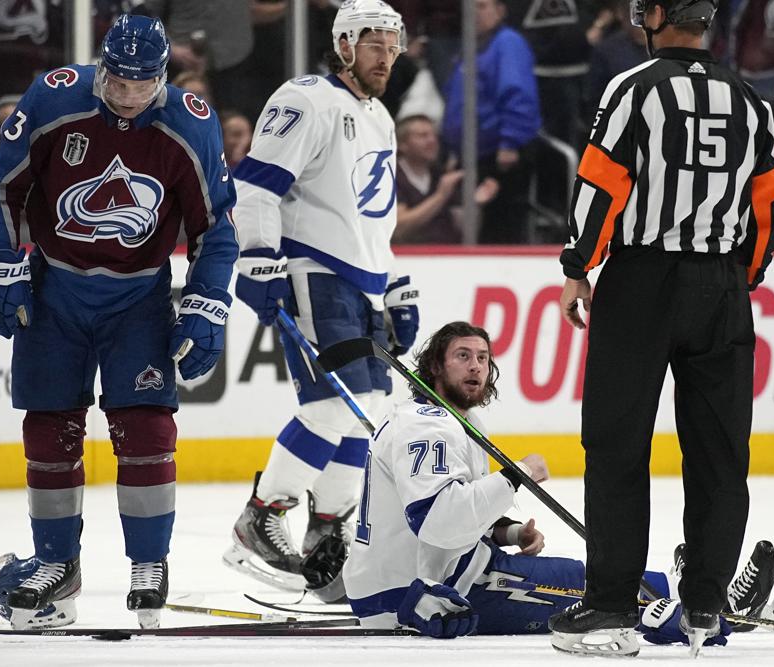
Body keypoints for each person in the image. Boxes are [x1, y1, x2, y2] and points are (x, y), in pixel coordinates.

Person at [0, 14, 237, 631]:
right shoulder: (54, 95)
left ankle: (149, 565)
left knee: (145, 426)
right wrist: (0, 263)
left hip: (138, 298)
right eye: (115, 80)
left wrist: (206, 303)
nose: (125, 95)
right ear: (100, 68)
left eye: (139, 85)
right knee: (49, 425)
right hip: (54, 287)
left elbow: (215, 227)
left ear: (163, 79)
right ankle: (56, 563)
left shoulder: (190, 124)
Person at [549, 0, 774, 656]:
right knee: (719, 452)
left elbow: (601, 182)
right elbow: (772, 202)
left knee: (617, 441)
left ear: (655, 15)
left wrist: (578, 267)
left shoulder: (635, 86)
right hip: (722, 285)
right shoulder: (747, 98)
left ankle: (610, 607)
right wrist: (742, 278)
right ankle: (707, 606)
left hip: (641, 283)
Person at [342, 321, 774, 642]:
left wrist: (508, 532)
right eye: (462, 356)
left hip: (424, 577)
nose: (476, 367)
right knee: (601, 600)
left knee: (592, 581)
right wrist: (514, 477)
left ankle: (697, 591)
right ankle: (718, 610)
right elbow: (438, 521)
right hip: (422, 594)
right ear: (435, 366)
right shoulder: (428, 426)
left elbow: (438, 515)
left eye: (482, 357)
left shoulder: (442, 421)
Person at [224, 0, 419, 603]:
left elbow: (372, 215)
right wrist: (258, 256)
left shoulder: (381, 117)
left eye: (392, 45)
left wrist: (392, 284)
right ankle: (261, 516)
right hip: (314, 272)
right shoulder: (304, 98)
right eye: (372, 44)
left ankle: (327, 534)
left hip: (361, 283)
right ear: (343, 46)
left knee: (371, 410)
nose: (384, 56)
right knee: (335, 407)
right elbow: (255, 185)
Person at [441, 0, 541, 244]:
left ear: (500, 11)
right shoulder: (471, 47)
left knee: (499, 229)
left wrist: (509, 143)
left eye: (482, 6)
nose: (475, 13)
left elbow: (517, 93)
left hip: (499, 156)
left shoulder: (507, 43)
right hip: (472, 154)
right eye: (471, 7)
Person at [393, 114, 499, 244]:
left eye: (434, 135)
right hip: (408, 257)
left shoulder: (441, 175)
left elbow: (462, 229)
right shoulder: (392, 175)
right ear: (402, 144)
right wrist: (440, 196)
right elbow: (398, 228)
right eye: (422, 136)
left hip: (446, 255)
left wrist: (475, 203)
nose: (432, 141)